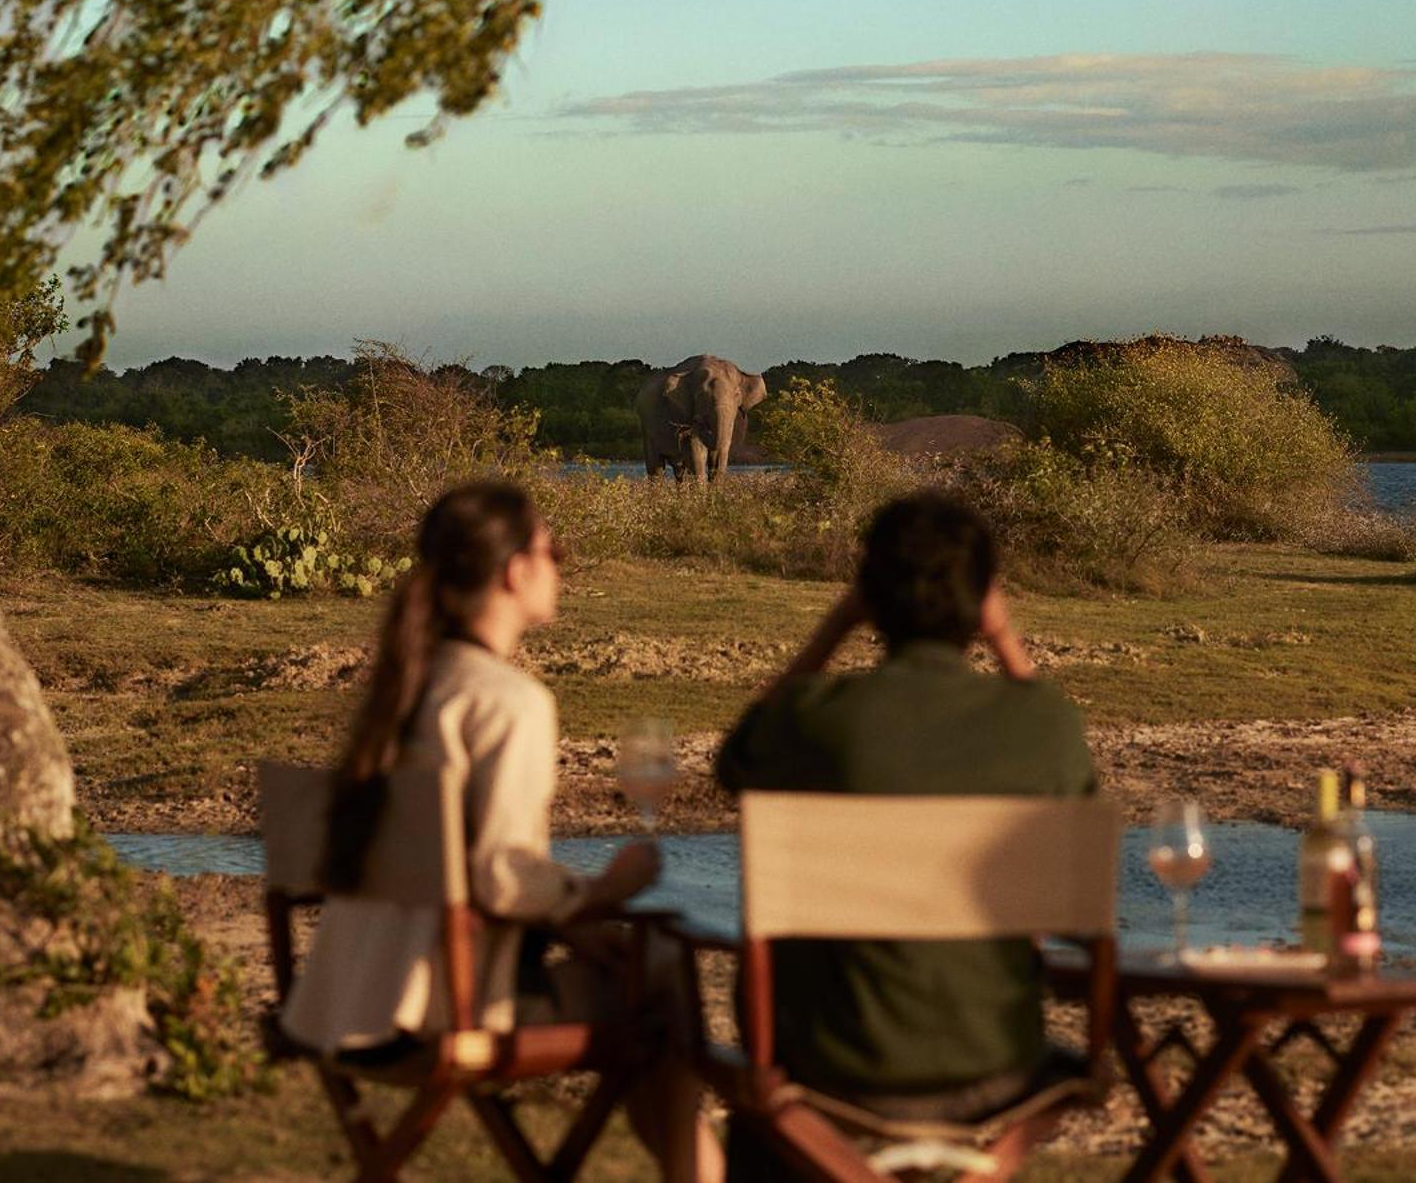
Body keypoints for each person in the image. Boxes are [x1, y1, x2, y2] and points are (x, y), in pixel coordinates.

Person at [280, 479, 721, 1183]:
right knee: (662, 978)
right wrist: (610, 888)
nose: (561, 568)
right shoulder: (508, 702)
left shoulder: (406, 692)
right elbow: (501, 876)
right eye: (556, 552)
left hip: (338, 1006)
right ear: (516, 570)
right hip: (435, 1017)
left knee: (628, 970)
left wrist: (576, 919)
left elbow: (470, 875)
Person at [715, 490, 1096, 1172]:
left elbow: (736, 758)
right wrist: (1007, 643)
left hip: (830, 1071)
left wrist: (832, 630)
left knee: (754, 1112)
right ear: (984, 601)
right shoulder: (1045, 725)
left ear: (870, 597)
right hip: (996, 1070)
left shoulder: (811, 718)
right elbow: (1081, 806)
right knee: (1072, 1069)